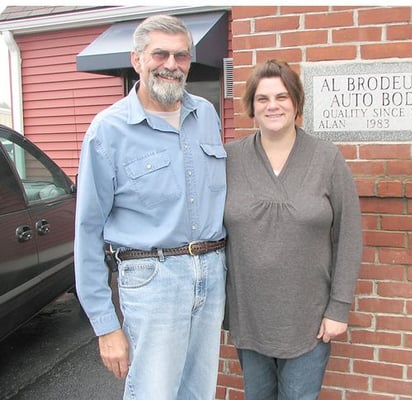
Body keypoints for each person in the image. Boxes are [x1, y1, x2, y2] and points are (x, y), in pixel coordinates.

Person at [74, 14, 227, 400]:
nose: (172, 65)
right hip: (153, 278)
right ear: (137, 59)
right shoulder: (108, 131)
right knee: (154, 392)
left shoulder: (206, 116)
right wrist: (106, 326)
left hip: (211, 272)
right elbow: (88, 231)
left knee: (199, 392)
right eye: (160, 54)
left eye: (182, 56)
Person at [223, 59, 363, 400]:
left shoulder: (326, 158)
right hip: (250, 317)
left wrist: (338, 308)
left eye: (282, 97)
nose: (273, 105)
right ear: (252, 107)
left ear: (296, 102)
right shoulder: (229, 160)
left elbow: (349, 235)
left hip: (309, 319)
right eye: (263, 98)